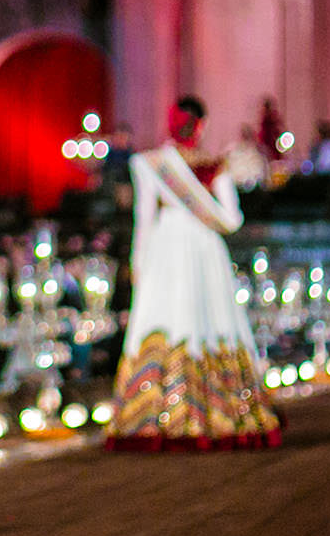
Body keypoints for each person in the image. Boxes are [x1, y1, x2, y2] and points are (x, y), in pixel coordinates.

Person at [104, 97, 282, 450]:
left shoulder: (150, 164)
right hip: (204, 250)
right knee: (208, 323)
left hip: (166, 248)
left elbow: (144, 219)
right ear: (203, 124)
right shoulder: (215, 165)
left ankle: (152, 416)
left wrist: (139, 265)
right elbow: (231, 220)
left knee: (169, 323)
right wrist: (206, 213)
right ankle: (220, 412)